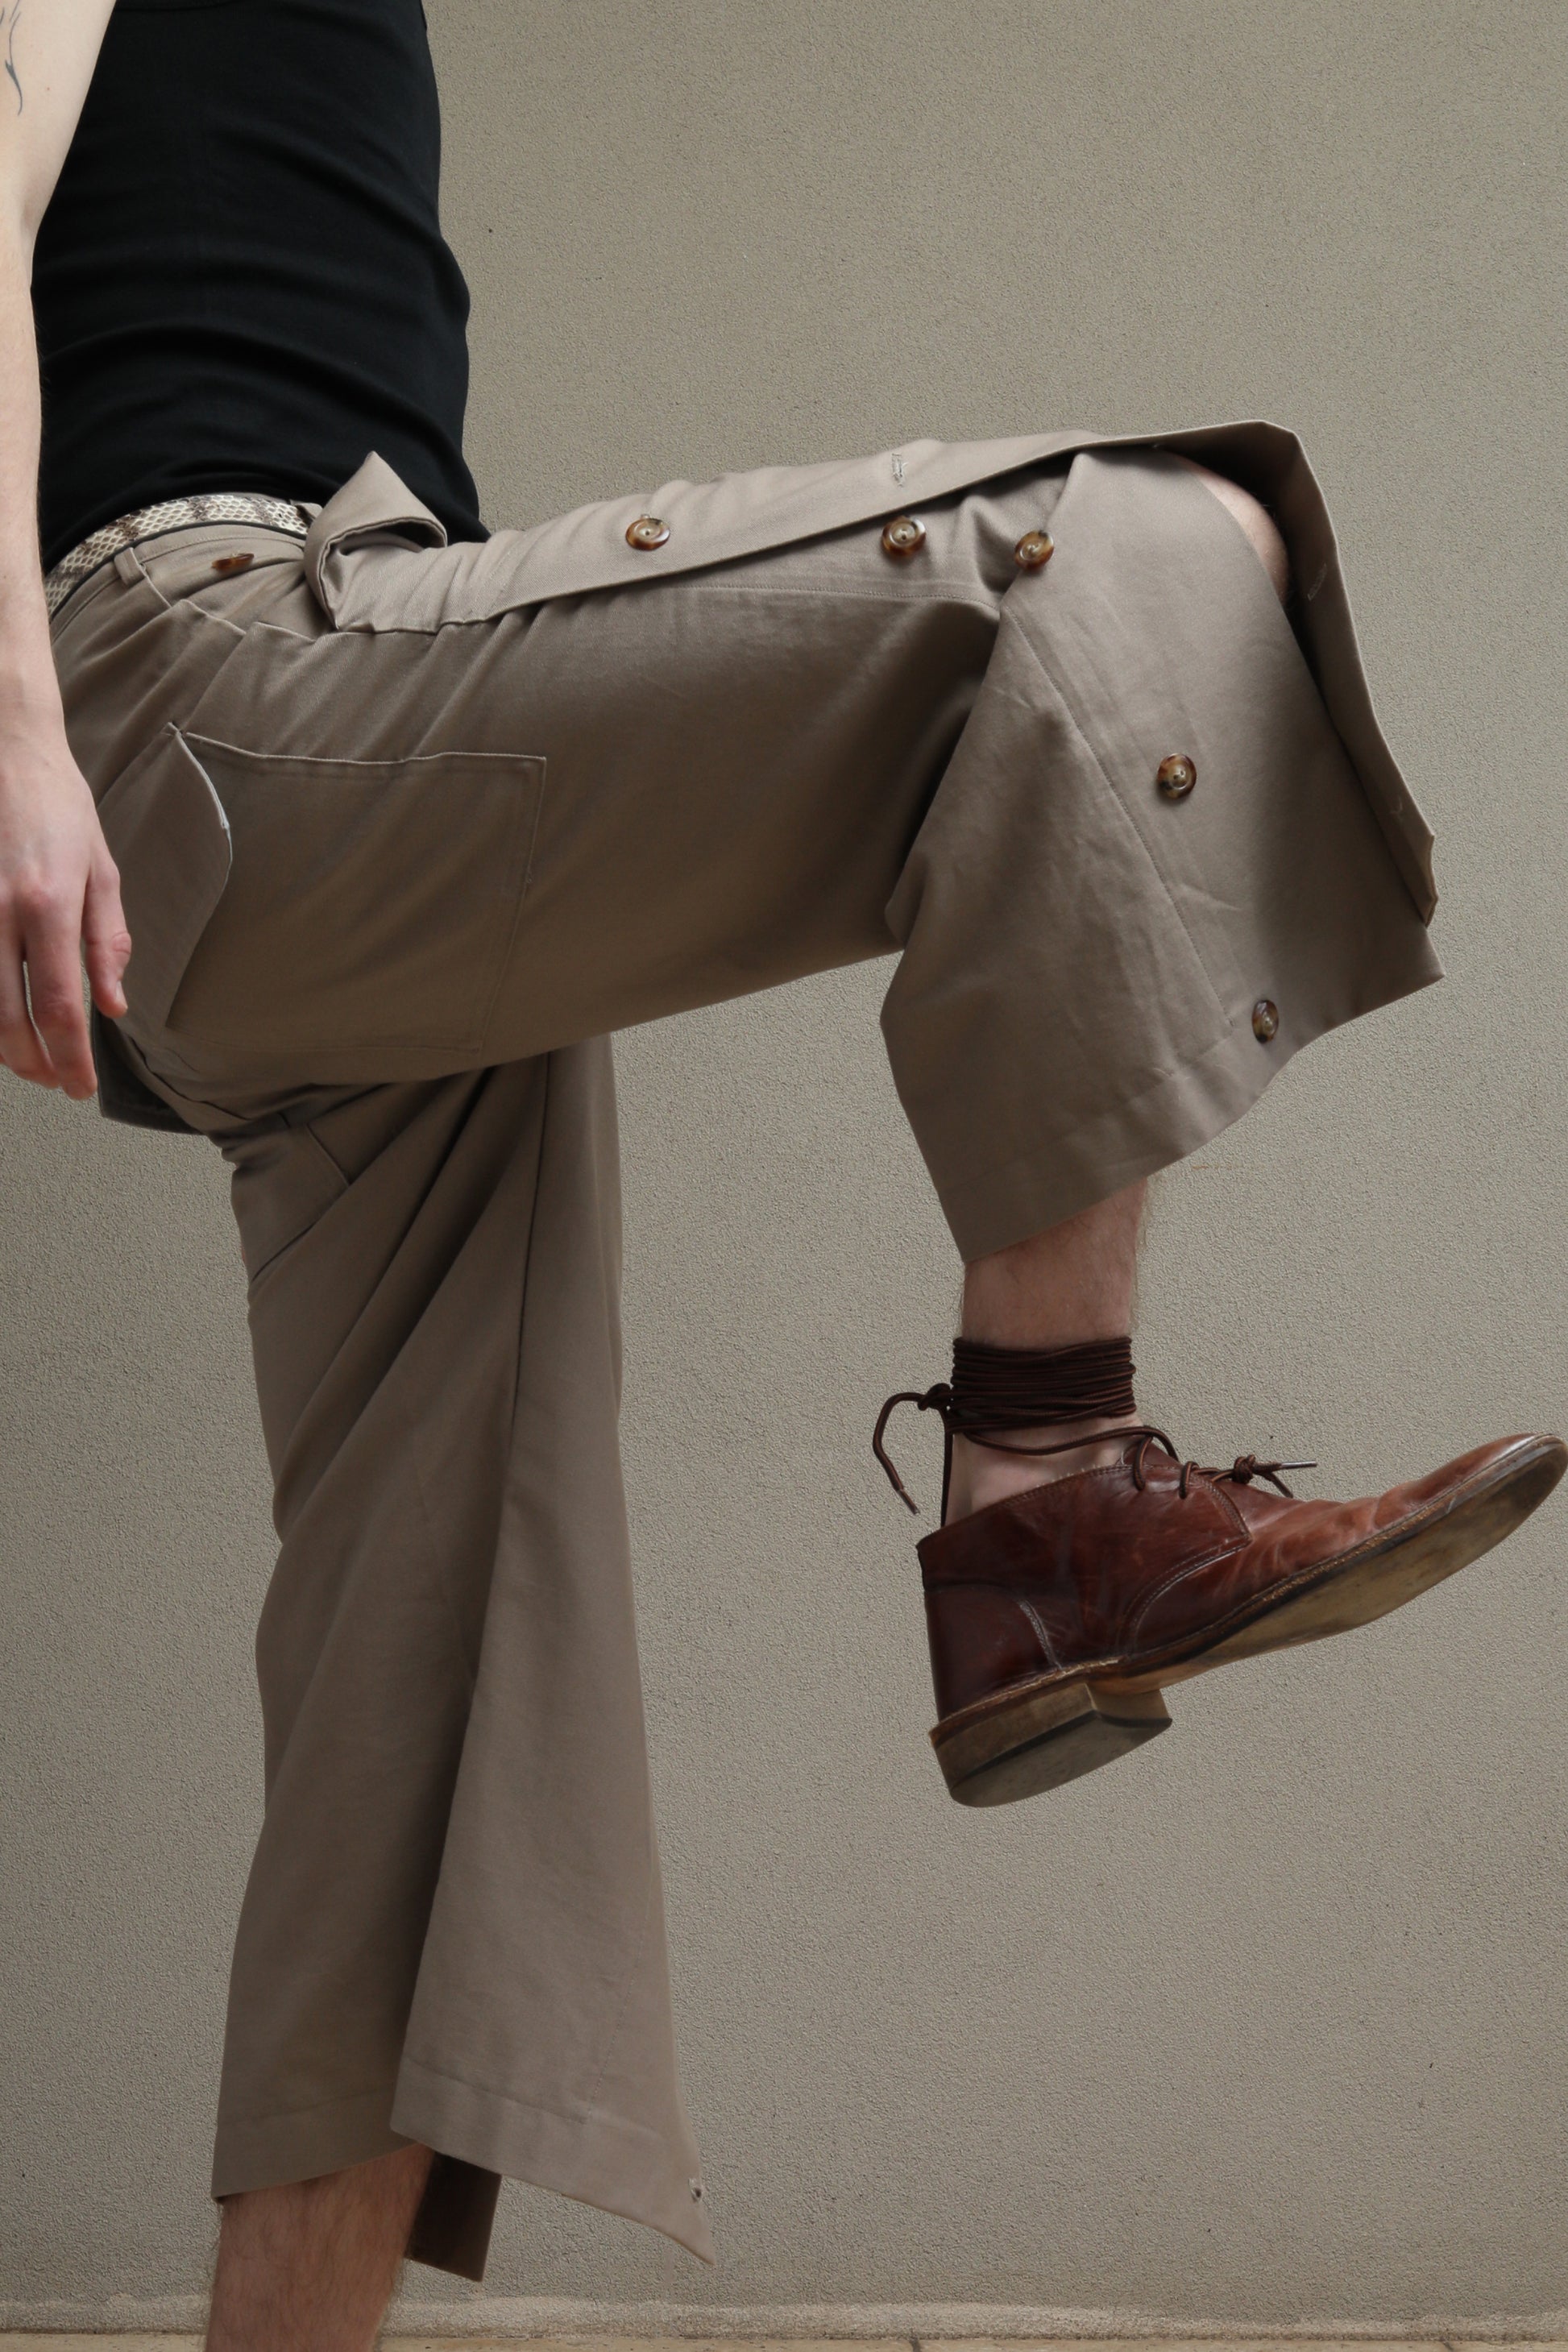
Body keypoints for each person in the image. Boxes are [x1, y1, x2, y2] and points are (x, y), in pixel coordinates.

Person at [2, 2, 1561, 2347]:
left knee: (429, 1751)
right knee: (1134, 545)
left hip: (296, 816)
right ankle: (1045, 1484)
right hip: (202, 674)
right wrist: (17, 723)